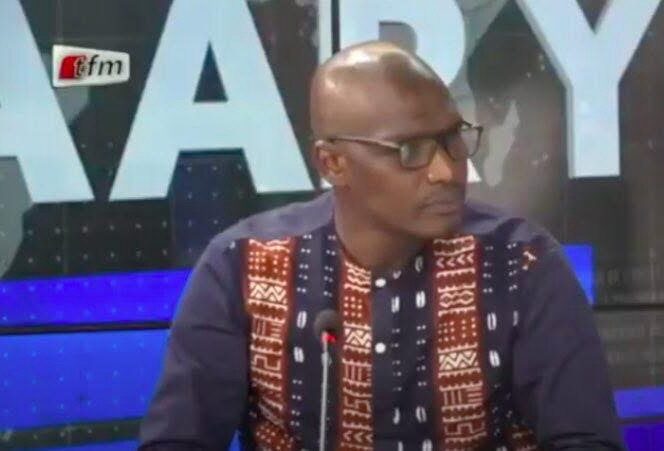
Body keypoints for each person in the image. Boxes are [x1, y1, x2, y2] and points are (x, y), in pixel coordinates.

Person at [139, 41, 622, 451]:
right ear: (333, 163)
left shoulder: (521, 262)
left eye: (452, 139)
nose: (447, 171)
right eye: (410, 150)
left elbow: (585, 441)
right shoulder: (242, 266)